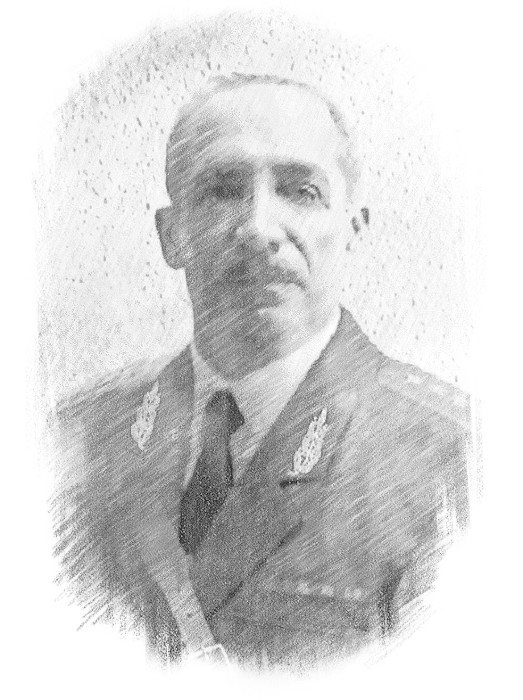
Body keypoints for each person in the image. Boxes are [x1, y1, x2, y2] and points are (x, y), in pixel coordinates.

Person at [51, 73, 472, 671]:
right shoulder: (78, 443)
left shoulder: (453, 457)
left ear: (353, 228)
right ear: (172, 236)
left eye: (301, 191)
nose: (258, 229)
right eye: (222, 190)